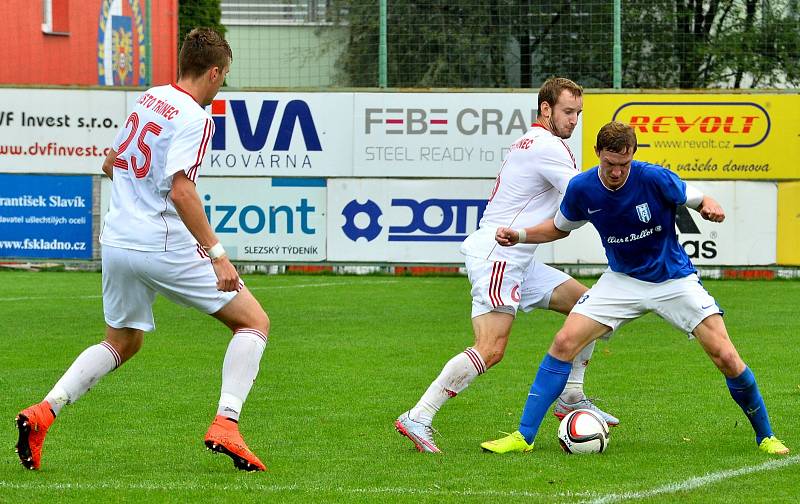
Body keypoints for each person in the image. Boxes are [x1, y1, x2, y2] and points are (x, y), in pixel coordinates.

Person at [14, 28, 270, 472]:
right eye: (223, 76)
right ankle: (226, 423)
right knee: (253, 322)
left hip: (117, 241)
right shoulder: (196, 117)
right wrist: (218, 253)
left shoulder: (151, 97)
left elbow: (112, 162)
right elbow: (182, 191)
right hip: (160, 243)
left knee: (122, 341)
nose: (220, 85)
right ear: (213, 72)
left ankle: (44, 412)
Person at [481, 121, 790, 456]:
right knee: (564, 341)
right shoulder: (582, 188)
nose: (617, 172)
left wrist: (708, 206)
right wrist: (521, 235)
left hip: (673, 279)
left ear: (633, 155)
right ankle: (523, 437)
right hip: (622, 280)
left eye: (624, 164)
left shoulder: (654, 177)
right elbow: (558, 228)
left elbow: (698, 198)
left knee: (726, 356)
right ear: (598, 153)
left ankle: (766, 437)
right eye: (610, 164)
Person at [394, 77, 619, 453]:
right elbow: (584, 195)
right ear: (545, 109)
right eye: (567, 111)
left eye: (578, 113)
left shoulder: (534, 142)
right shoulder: (547, 146)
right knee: (491, 348)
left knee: (589, 307)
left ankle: (571, 397)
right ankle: (418, 416)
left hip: (516, 256)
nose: (574, 120)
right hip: (499, 254)